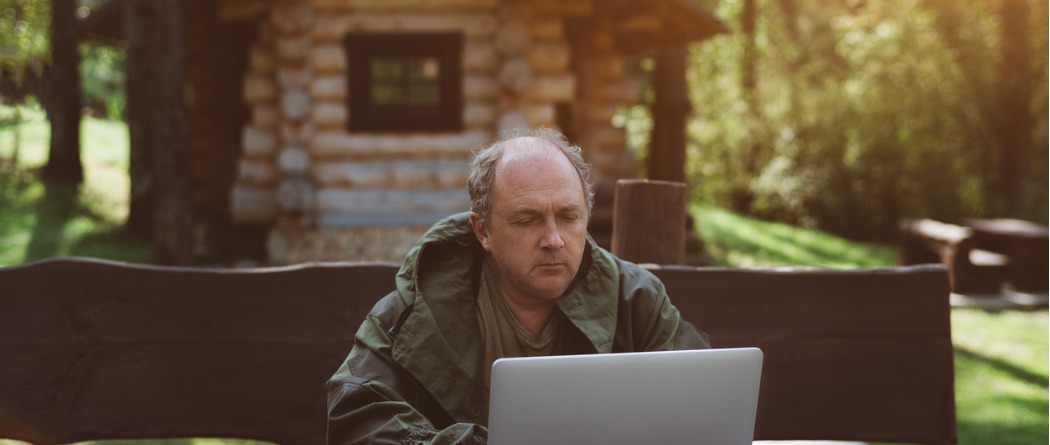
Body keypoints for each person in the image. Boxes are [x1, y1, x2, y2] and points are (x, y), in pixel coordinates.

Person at [326, 128, 709, 444]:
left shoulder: (637, 300)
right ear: (483, 230)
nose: (554, 239)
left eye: (568, 216)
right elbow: (355, 411)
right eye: (527, 220)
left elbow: (701, 407)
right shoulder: (415, 309)